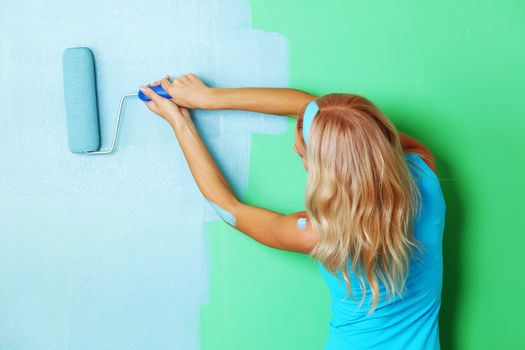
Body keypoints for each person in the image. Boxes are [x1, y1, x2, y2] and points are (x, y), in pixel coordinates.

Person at [140, 73, 446, 350]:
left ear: (328, 171)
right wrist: (210, 98)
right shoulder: (423, 172)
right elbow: (327, 117)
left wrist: (179, 122)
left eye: (303, 153)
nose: (296, 150)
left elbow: (229, 208)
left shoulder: (320, 233)